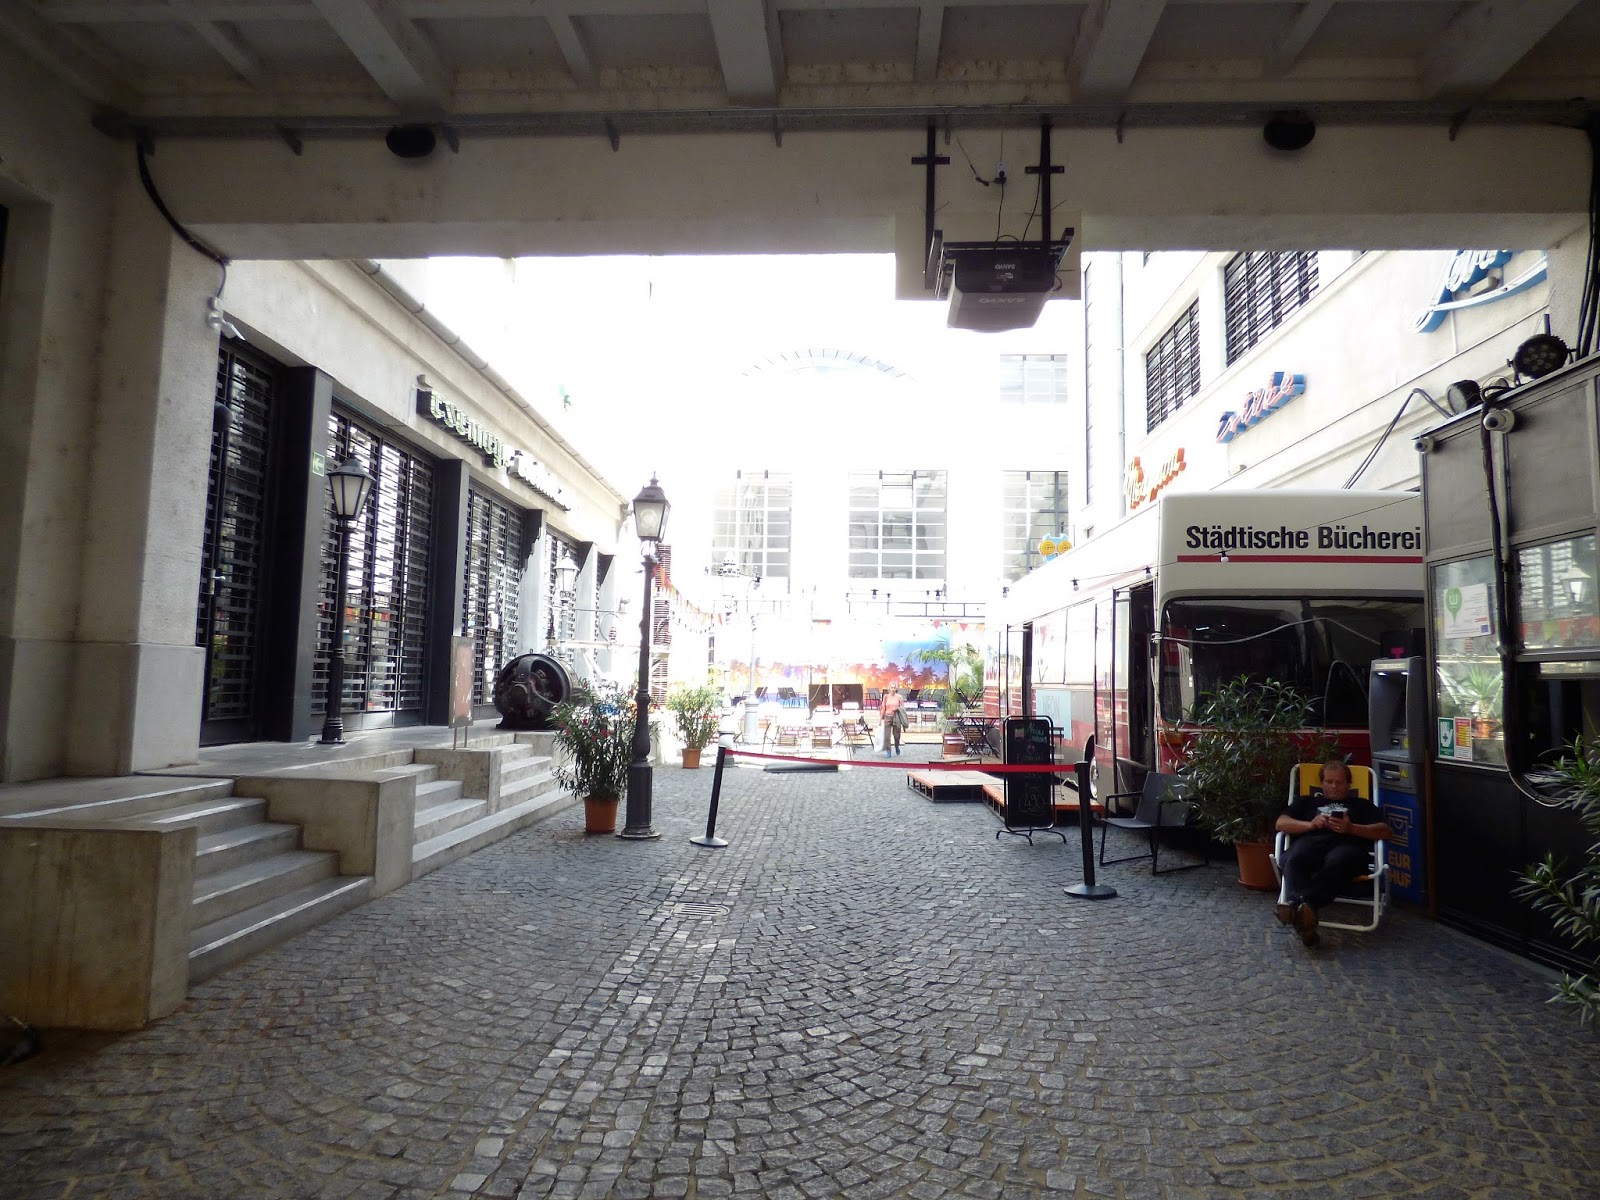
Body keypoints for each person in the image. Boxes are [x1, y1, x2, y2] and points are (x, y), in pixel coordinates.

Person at [1274, 758, 1391, 946]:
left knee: (1340, 859)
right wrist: (1310, 825)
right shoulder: (1306, 802)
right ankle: (1305, 914)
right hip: (1310, 843)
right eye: (1329, 781)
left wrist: (1351, 828)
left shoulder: (1361, 805)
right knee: (1295, 857)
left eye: (1339, 782)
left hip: (1347, 847)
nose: (1334, 786)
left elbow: (1385, 831)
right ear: (1321, 783)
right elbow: (1281, 823)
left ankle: (1297, 906)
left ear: (1349, 784)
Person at [880, 686, 906, 756]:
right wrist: (880, 719)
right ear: (889, 688)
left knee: (897, 735)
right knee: (887, 736)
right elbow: (883, 707)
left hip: (896, 717)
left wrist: (898, 709)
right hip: (887, 717)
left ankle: (897, 746)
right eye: (892, 687)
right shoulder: (886, 696)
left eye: (894, 688)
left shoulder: (899, 697)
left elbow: (903, 708)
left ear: (896, 689)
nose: (893, 689)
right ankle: (888, 751)